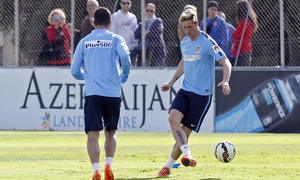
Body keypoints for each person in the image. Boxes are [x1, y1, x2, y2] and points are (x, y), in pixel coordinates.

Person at [157, 9, 232, 177]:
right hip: (185, 90)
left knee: (184, 131)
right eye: (185, 27)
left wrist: (225, 80)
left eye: (190, 27)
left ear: (197, 23)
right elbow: (184, 61)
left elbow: (225, 61)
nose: (188, 31)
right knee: (172, 119)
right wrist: (171, 82)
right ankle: (188, 155)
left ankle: (168, 166)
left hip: (202, 95)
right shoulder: (185, 42)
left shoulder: (206, 41)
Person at [71, 7, 131, 180]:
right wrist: (124, 75)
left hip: (93, 94)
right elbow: (125, 58)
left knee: (92, 135)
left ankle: (96, 170)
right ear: (110, 23)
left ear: (92, 22)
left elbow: (74, 71)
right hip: (112, 93)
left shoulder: (84, 42)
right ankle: (108, 165)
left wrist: (88, 77)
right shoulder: (115, 39)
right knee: (111, 132)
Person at [110, 0, 139, 66]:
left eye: (128, 3)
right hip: (120, 49)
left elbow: (135, 32)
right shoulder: (115, 16)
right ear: (120, 4)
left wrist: (136, 44)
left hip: (131, 49)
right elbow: (113, 32)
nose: (126, 5)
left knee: (131, 70)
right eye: (124, 3)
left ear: (131, 4)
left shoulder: (133, 17)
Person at [231, 0, 258, 66]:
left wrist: (234, 34)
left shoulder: (245, 21)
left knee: (242, 69)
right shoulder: (247, 21)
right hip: (245, 48)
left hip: (243, 49)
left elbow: (236, 34)